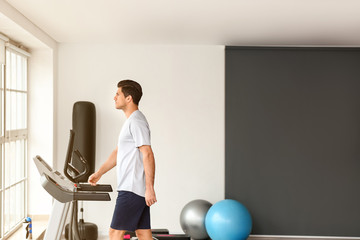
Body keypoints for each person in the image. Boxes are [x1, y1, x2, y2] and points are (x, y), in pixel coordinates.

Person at [88, 80, 157, 240]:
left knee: (115, 233)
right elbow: (118, 152)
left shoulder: (136, 122)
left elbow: (147, 153)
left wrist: (150, 188)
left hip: (132, 188)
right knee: (143, 233)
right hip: (134, 188)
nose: (114, 97)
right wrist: (99, 173)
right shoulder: (131, 121)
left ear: (129, 98)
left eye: (118, 94)